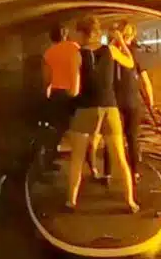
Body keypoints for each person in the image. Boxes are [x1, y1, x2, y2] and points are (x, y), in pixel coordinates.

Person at [66, 17, 138, 212]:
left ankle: (71, 201)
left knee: (77, 159)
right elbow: (130, 63)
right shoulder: (111, 50)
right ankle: (130, 201)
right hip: (109, 109)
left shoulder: (77, 55)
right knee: (120, 158)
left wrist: (65, 93)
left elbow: (74, 91)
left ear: (82, 33)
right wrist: (121, 41)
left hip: (86, 109)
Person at [112, 20, 154, 183]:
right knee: (133, 137)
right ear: (132, 36)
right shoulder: (136, 54)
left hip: (115, 101)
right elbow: (145, 81)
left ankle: (108, 172)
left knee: (113, 137)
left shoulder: (111, 52)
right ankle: (135, 171)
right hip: (133, 102)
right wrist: (150, 101)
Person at [40, 23, 80, 168]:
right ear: (65, 34)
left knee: (57, 128)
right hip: (73, 92)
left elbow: (46, 78)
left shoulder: (48, 53)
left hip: (56, 93)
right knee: (77, 129)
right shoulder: (74, 47)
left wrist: (46, 95)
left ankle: (49, 158)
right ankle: (82, 159)